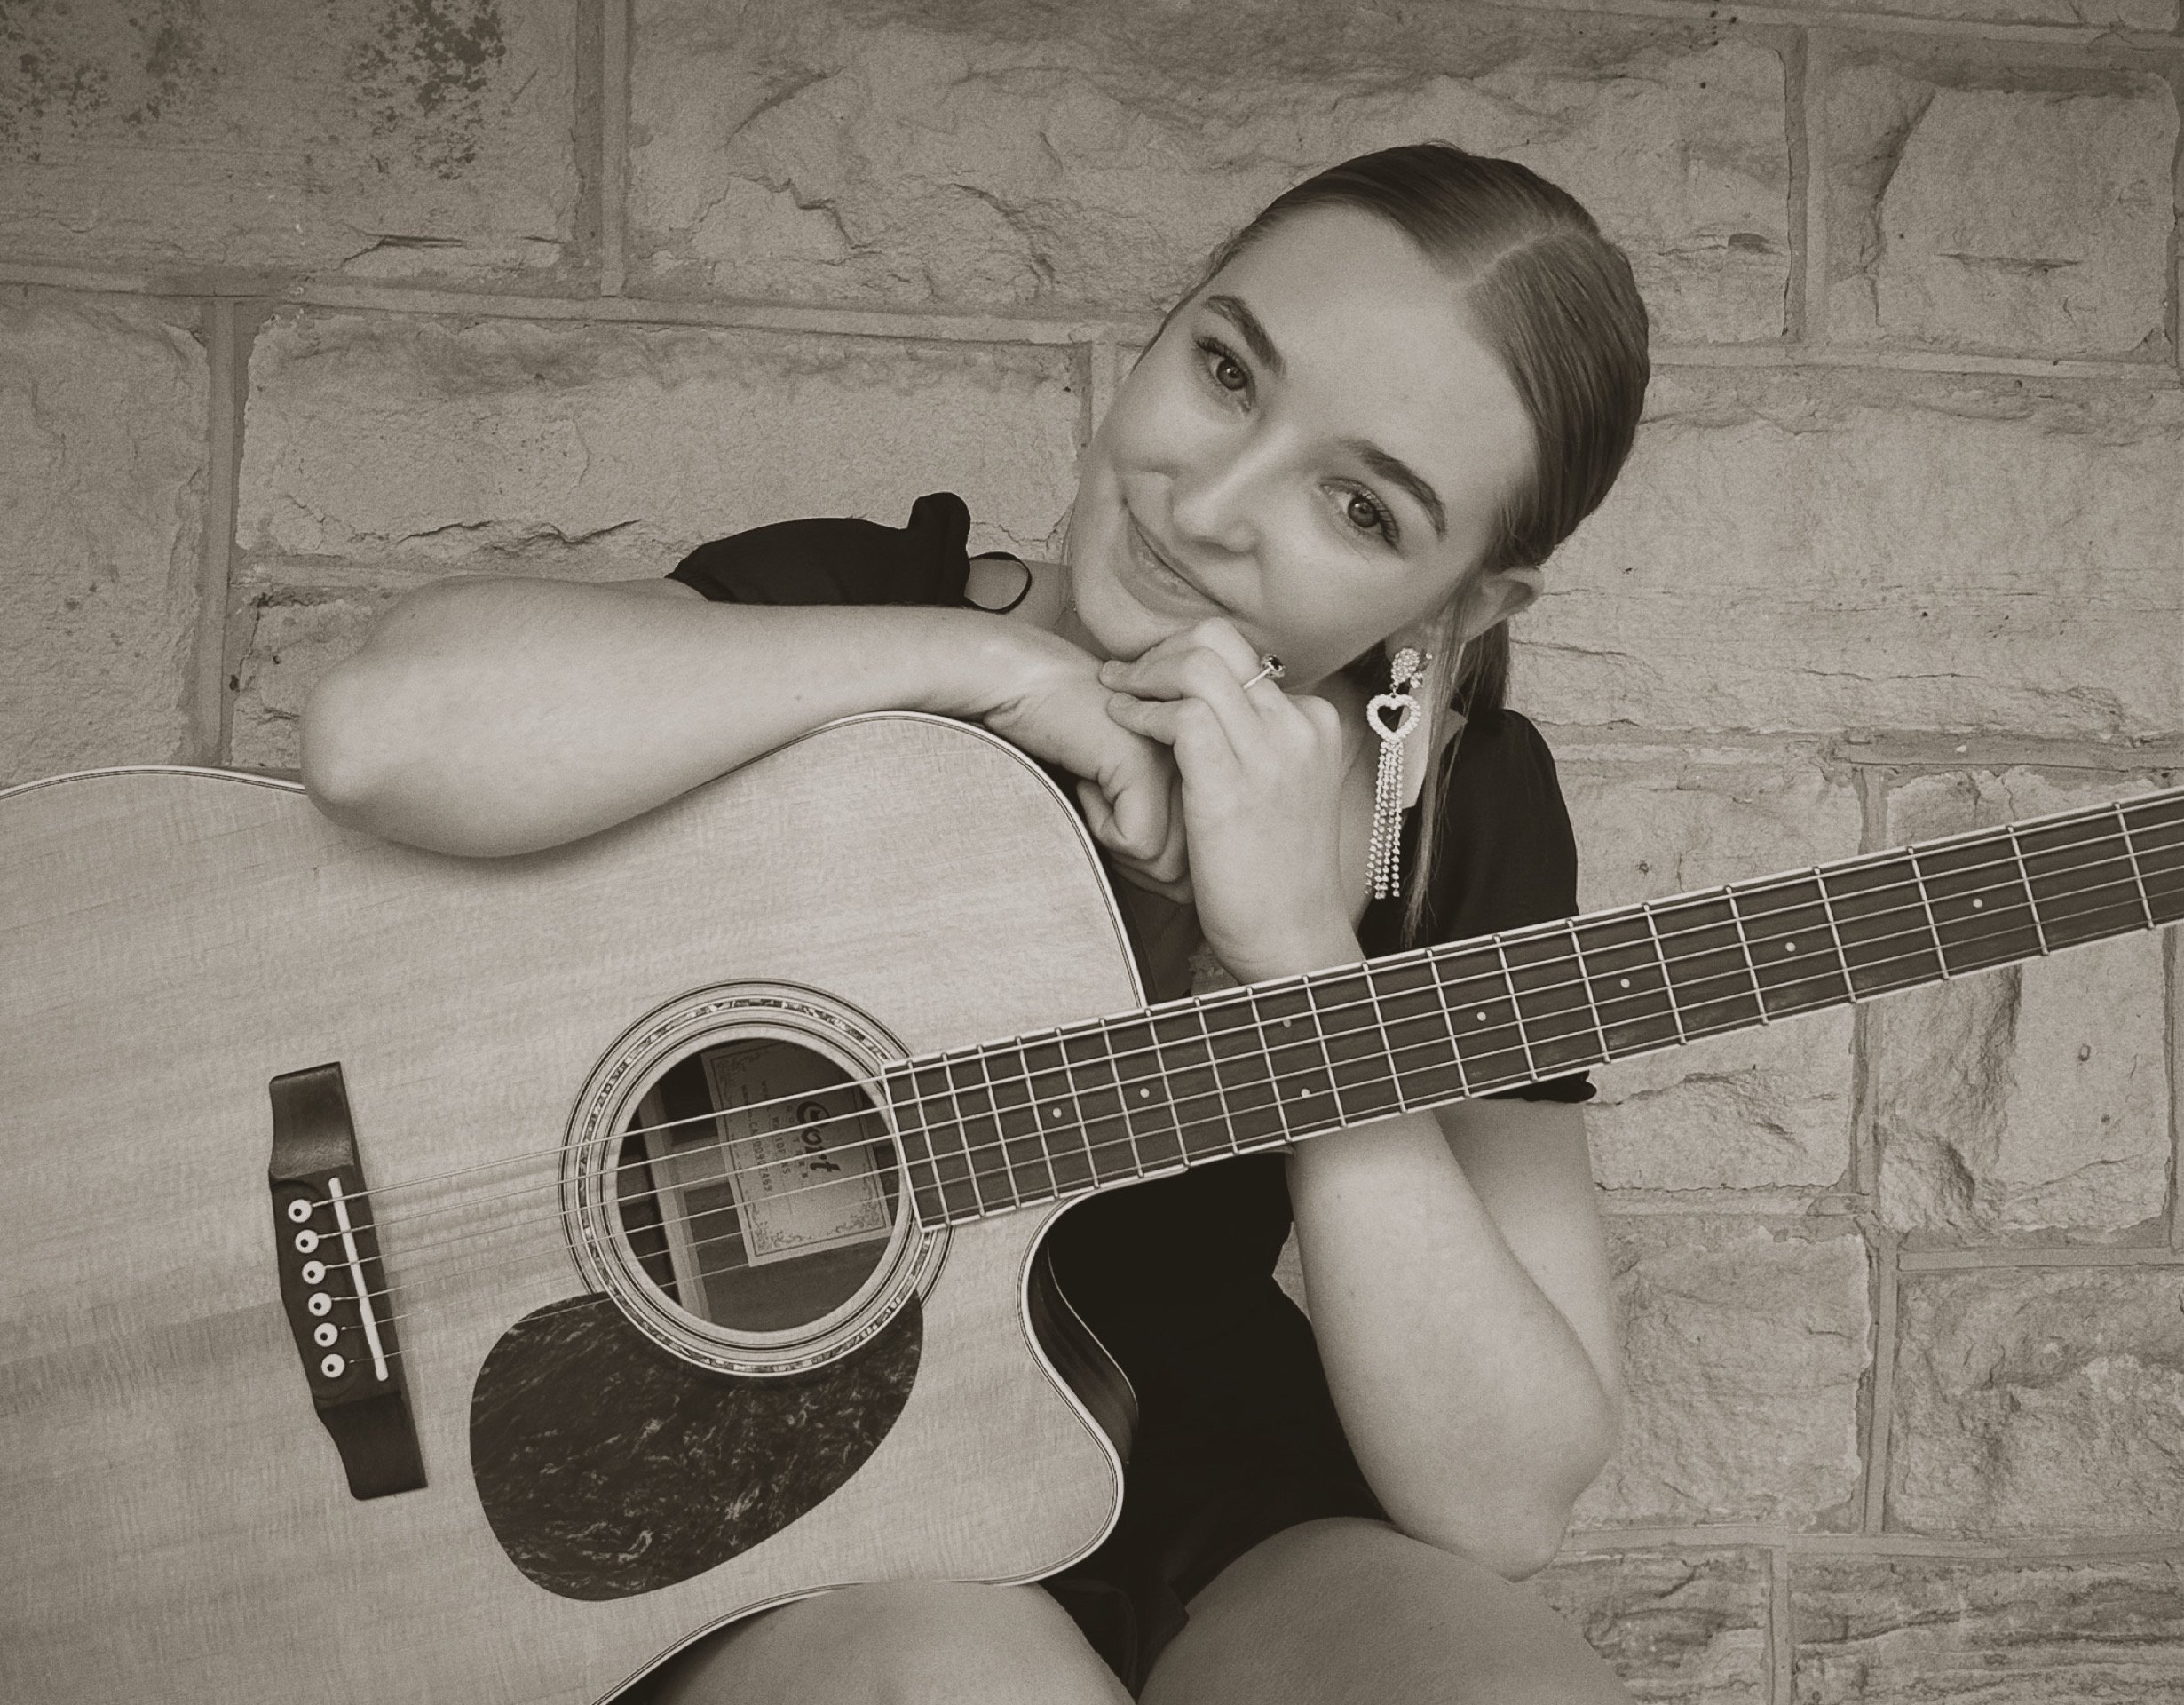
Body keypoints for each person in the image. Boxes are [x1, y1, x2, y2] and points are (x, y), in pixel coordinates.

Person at [303, 142, 1648, 1705]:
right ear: (1164, 327)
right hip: (771, 1493)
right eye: (1226, 373)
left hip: (1195, 1470)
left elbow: (1505, 1499)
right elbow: (380, 736)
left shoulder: (1458, 817)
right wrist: (991, 669)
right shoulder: (858, 604)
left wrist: (1301, 967)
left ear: (1461, 604)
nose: (1211, 506)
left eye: (1358, 506)